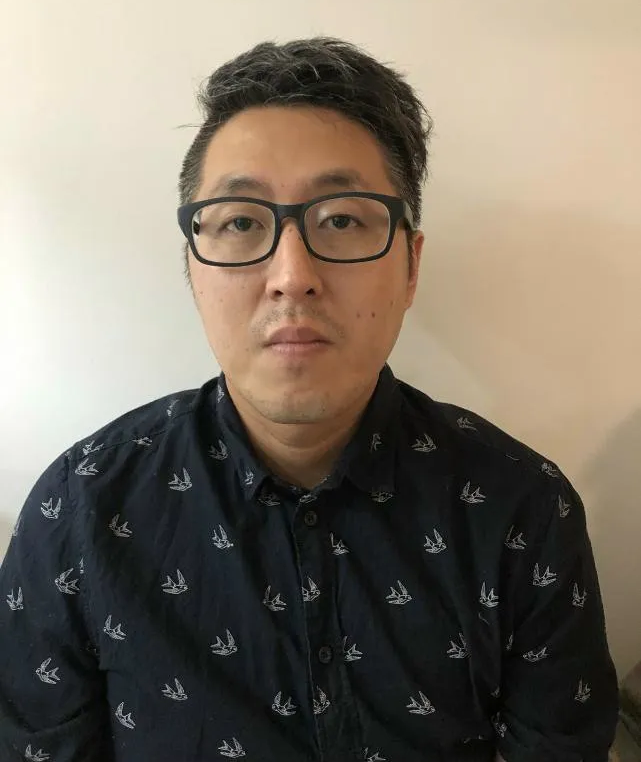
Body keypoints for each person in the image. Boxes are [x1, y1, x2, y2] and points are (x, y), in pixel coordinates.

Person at [0, 37, 618, 762]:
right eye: (240, 221)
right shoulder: (80, 509)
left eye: (343, 220)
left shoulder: (523, 511)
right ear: (192, 268)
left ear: (411, 267)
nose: (292, 275)